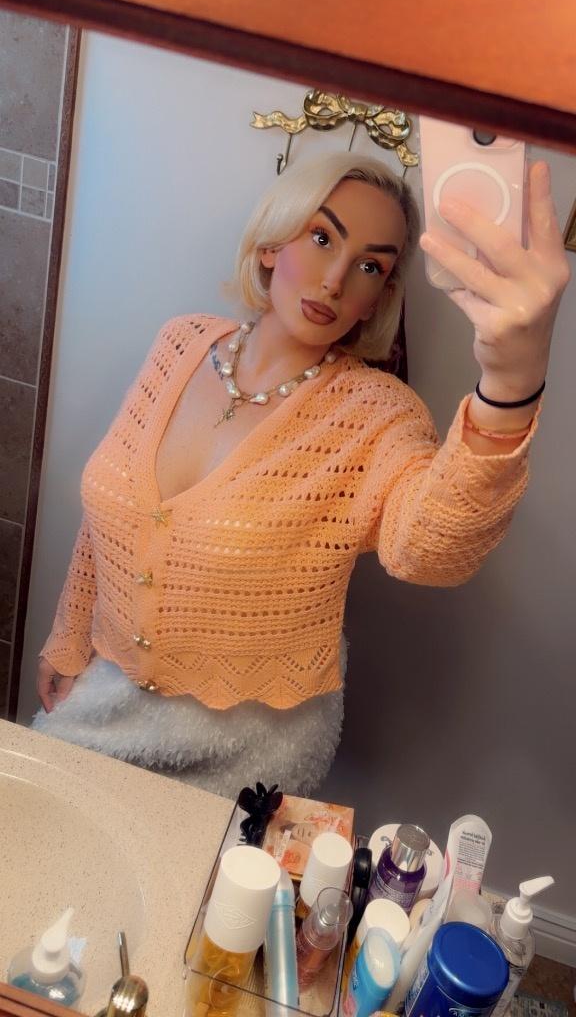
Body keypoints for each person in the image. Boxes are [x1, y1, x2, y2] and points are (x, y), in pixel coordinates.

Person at [32, 151, 570, 798]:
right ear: (270, 244)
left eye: (370, 266)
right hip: (108, 691)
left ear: (378, 298)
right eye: (321, 238)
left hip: (248, 746)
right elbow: (110, 513)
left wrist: (510, 384)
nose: (335, 279)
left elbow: (431, 550)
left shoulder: (376, 413)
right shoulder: (181, 344)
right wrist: (69, 637)